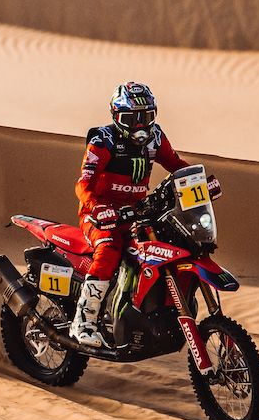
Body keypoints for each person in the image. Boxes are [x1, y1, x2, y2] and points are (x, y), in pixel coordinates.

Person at [66, 81, 217, 347]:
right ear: (117, 117)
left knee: (166, 246)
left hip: (137, 213)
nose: (140, 126)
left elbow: (176, 166)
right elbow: (83, 183)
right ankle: (83, 321)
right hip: (101, 215)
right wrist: (97, 207)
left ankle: (148, 312)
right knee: (109, 250)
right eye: (131, 119)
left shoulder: (156, 138)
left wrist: (200, 182)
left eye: (145, 117)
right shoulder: (104, 140)